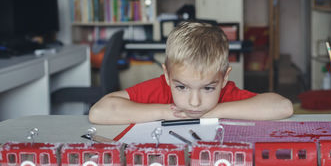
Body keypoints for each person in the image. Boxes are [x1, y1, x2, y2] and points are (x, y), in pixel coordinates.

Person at [89, 21, 293, 124]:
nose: (194, 102)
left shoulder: (226, 94)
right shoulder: (161, 88)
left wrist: (215, 112)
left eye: (208, 88)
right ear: (168, 76)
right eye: (181, 87)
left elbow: (282, 107)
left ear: (224, 79)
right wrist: (166, 112)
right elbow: (99, 111)